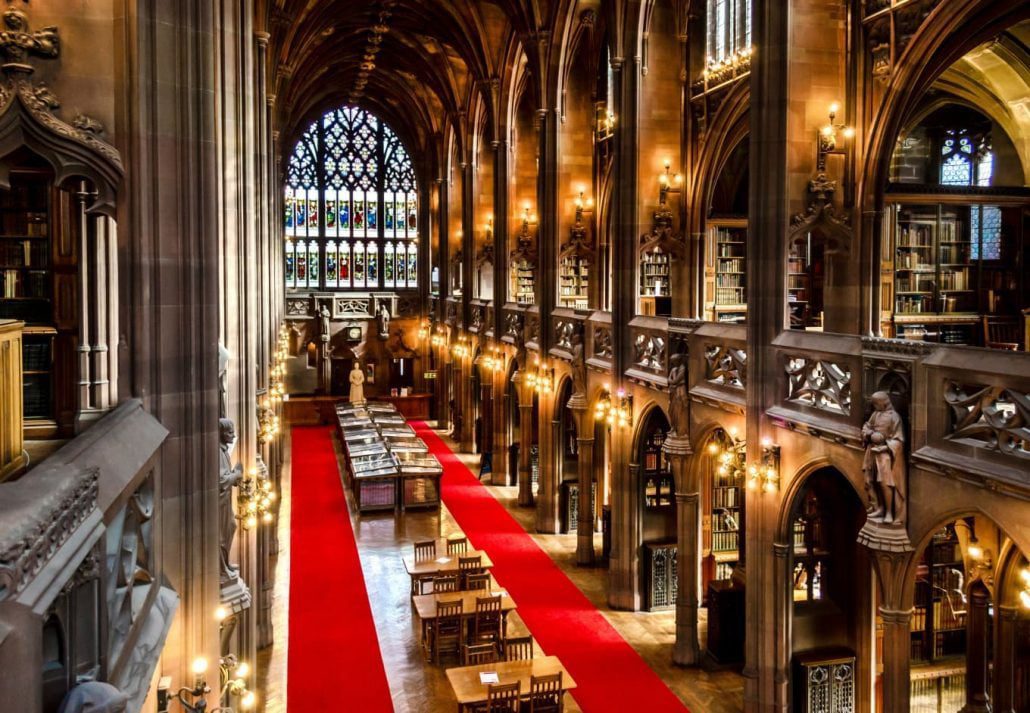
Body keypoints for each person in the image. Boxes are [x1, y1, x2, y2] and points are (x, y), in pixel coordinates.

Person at [862, 391, 906, 526]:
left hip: (885, 454)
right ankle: (879, 507)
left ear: (884, 402)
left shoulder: (894, 417)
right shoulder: (876, 414)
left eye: (876, 403)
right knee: (871, 480)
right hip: (872, 451)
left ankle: (889, 512)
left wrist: (885, 446)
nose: (874, 406)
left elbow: (899, 440)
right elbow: (866, 426)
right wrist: (869, 433)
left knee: (885, 484)